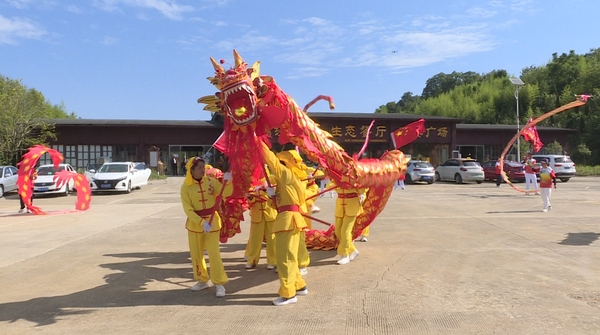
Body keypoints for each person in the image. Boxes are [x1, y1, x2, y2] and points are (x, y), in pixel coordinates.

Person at [259, 141, 308, 306]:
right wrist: (270, 195)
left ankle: (288, 293)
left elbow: (271, 161)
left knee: (284, 259)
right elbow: (280, 203)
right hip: (289, 218)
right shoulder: (287, 181)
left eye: (280, 163)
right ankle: (299, 285)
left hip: (288, 220)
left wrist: (258, 142)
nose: (277, 167)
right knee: (291, 256)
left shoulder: (286, 175)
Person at [180, 157, 233, 297]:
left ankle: (219, 283)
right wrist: (202, 223)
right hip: (195, 225)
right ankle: (202, 280)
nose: (203, 170)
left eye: (203, 167)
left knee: (214, 254)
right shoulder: (185, 187)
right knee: (196, 254)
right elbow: (188, 210)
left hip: (212, 222)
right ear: (191, 170)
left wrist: (229, 181)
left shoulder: (211, 181)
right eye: (199, 168)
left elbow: (226, 193)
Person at [245, 178, 277, 270]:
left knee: (272, 239)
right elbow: (250, 199)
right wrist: (250, 196)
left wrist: (268, 189)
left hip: (270, 214)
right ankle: (252, 260)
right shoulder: (252, 180)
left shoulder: (271, 178)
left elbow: (276, 194)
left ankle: (272, 261)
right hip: (257, 215)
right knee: (254, 239)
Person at [331, 180, 365, 265]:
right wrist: (338, 183)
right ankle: (352, 250)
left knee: (345, 231)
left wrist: (358, 188)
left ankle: (345, 255)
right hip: (340, 205)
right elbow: (330, 185)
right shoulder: (336, 174)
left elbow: (363, 187)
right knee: (338, 231)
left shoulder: (356, 174)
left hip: (352, 204)